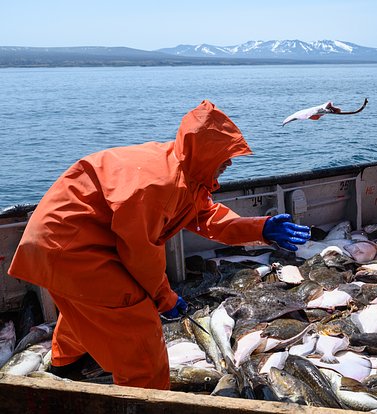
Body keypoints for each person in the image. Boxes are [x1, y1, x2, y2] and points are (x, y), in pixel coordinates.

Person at [7, 99, 311, 389]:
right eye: (225, 156)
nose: (230, 163)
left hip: (56, 243)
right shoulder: (160, 184)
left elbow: (209, 217)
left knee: (88, 309)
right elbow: (140, 254)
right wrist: (164, 299)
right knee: (139, 334)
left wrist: (262, 228)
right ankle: (147, 399)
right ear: (205, 153)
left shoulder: (183, 173)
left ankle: (64, 368)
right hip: (72, 249)